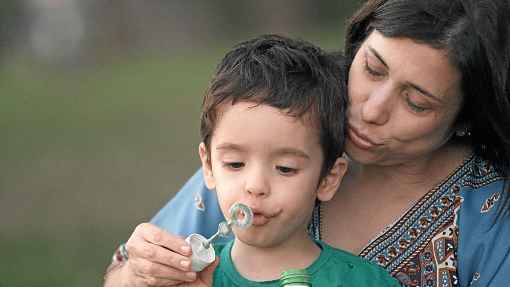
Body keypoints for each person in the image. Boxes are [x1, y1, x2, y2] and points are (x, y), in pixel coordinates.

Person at [103, 0, 510, 286]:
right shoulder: (269, 141)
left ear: (464, 119)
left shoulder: (490, 217)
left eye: (416, 102)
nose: (372, 109)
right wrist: (137, 273)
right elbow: (120, 274)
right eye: (371, 69)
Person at [198, 34, 400, 286]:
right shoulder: (187, 277)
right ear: (208, 165)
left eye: (285, 168)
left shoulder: (363, 282)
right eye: (235, 163)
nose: (256, 186)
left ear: (328, 179)